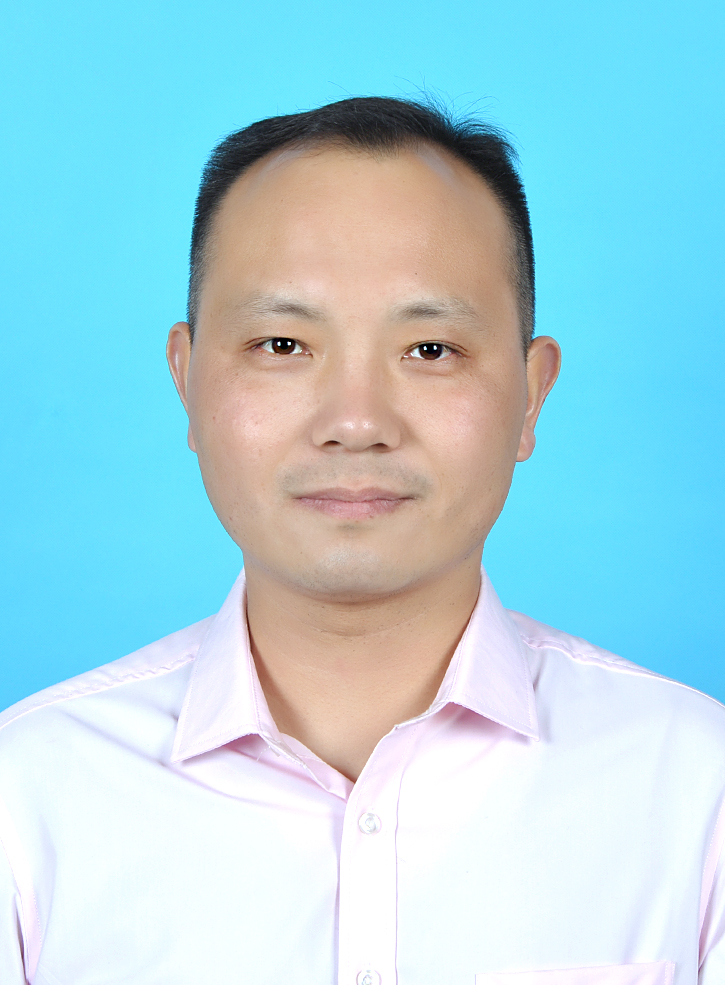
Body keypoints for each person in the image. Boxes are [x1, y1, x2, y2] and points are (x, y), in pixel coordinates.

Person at [0, 96, 723, 985]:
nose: (355, 421)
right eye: (280, 343)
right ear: (186, 381)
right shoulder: (25, 803)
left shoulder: (697, 792)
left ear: (531, 394)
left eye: (429, 350)